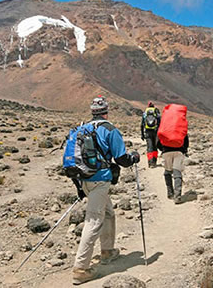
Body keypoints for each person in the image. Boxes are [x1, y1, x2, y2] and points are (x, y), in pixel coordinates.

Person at [72, 95, 140, 285]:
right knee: (93, 220)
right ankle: (81, 268)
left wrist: (78, 186)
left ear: (92, 112)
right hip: (100, 180)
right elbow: (121, 159)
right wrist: (133, 157)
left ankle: (107, 251)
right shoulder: (110, 130)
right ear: (106, 111)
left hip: (83, 179)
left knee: (108, 213)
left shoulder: (81, 129)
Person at [157, 133, 188, 205]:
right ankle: (177, 196)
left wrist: (163, 149)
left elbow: (158, 141)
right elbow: (185, 138)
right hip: (178, 151)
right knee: (177, 172)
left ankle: (170, 192)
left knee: (167, 171)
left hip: (166, 151)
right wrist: (184, 149)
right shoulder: (179, 125)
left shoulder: (164, 125)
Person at [140, 101, 160, 168]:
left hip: (147, 132)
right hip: (155, 132)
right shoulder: (156, 111)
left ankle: (150, 163)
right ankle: (154, 161)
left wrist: (142, 134)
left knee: (149, 147)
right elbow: (159, 122)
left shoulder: (145, 113)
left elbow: (142, 124)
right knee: (155, 147)